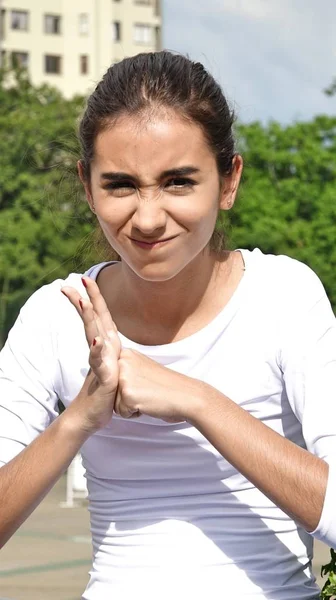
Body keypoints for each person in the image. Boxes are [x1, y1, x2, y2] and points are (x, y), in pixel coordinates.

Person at [0, 51, 335, 600]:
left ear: (229, 181)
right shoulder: (57, 316)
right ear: (87, 186)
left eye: (178, 182)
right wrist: (79, 418)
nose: (149, 217)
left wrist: (194, 399)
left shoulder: (284, 296)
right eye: (121, 185)